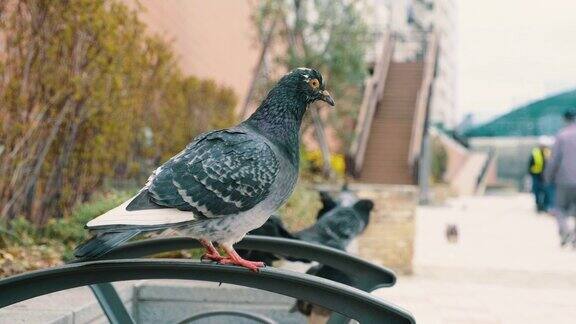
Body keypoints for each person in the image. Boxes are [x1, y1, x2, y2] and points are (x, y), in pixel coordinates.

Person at [545, 109, 576, 247]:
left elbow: (554, 160)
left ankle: (565, 232)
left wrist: (548, 177)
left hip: (564, 179)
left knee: (560, 208)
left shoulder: (561, 135)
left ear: (564, 119)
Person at [528, 136, 553, 212]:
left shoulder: (548, 152)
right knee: (537, 191)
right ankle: (538, 205)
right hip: (536, 175)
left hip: (546, 175)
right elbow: (530, 164)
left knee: (546, 191)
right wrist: (530, 174)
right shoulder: (535, 152)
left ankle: (545, 206)